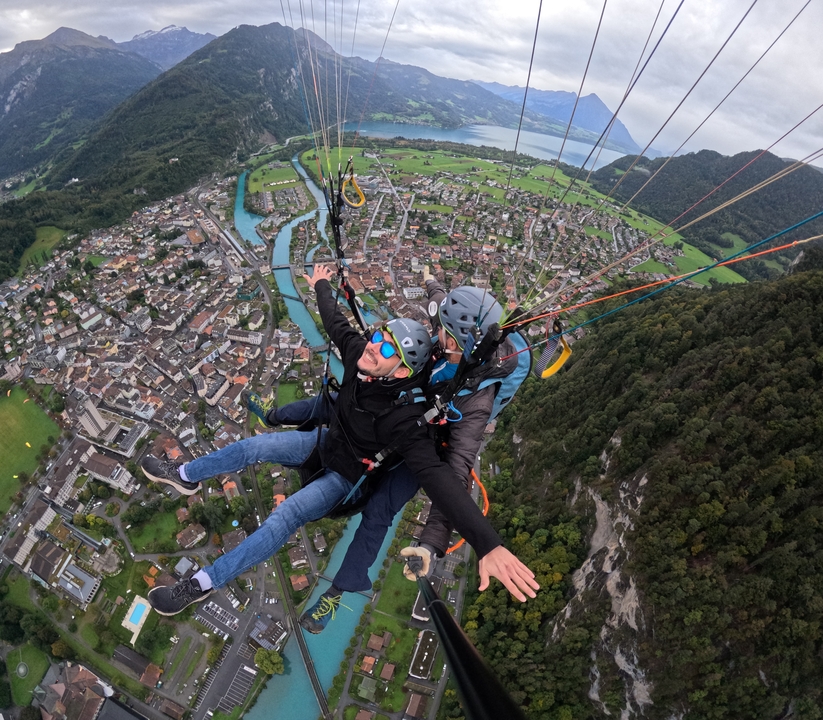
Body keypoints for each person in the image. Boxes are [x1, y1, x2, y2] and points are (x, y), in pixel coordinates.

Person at [141, 265, 538, 616]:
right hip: (330, 441)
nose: (374, 344)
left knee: (287, 516)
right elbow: (337, 323)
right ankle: (185, 475)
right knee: (255, 446)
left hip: (348, 475)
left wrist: (487, 543)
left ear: (403, 370)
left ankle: (202, 584)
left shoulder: (410, 418)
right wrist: (322, 285)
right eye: (379, 335)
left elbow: (444, 476)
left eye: (386, 347)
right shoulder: (366, 353)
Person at [297, 279, 527, 633]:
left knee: (380, 510)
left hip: (426, 448)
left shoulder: (477, 401)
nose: (436, 331)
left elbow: (454, 473)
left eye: (441, 329)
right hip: (399, 415)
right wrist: (431, 282)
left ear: (455, 341)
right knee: (334, 404)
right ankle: (280, 421)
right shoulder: (452, 335)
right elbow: (439, 302)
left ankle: (338, 591)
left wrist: (434, 545)